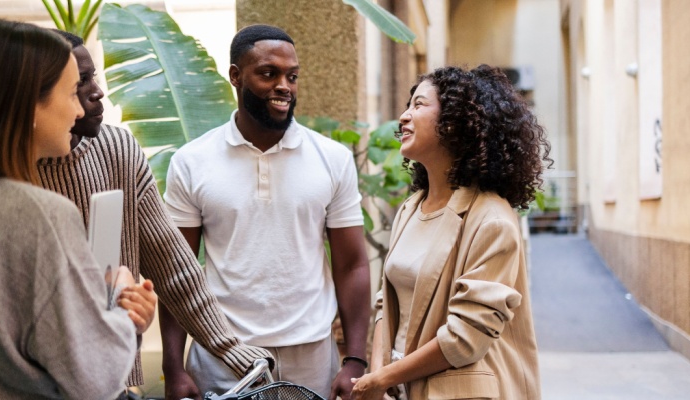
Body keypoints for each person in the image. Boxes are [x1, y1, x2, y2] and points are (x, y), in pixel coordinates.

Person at [0, 20, 157, 399]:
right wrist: (122, 313)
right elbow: (94, 381)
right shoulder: (42, 214)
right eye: (69, 94)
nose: (79, 110)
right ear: (27, 103)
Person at [40, 30, 274, 395]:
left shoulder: (116, 148)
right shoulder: (7, 180)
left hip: (113, 380)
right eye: (79, 84)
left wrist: (231, 350)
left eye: (93, 77)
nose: (96, 91)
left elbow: (173, 266)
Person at [162, 24, 371, 399]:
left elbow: (352, 264)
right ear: (235, 76)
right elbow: (178, 270)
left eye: (292, 76)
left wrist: (355, 358)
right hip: (222, 354)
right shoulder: (191, 162)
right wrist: (173, 368)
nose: (284, 86)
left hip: (312, 355)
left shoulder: (333, 159)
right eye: (268, 73)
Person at [350, 65, 551, 400]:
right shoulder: (411, 208)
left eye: (418, 105)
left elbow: (465, 337)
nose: (404, 116)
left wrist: (383, 377)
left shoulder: (491, 219)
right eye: (407, 105)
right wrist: (378, 377)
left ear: (454, 123)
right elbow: (387, 302)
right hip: (400, 388)